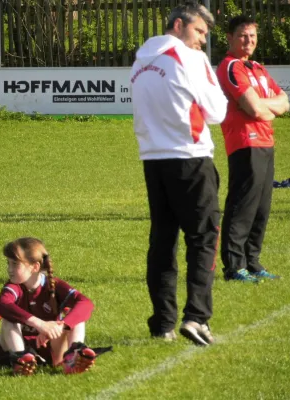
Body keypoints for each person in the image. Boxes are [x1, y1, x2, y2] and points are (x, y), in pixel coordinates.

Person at [130, 2, 228, 346]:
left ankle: (162, 323)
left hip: (153, 159)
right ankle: (197, 317)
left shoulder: (141, 60)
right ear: (178, 24)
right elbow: (217, 111)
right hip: (191, 156)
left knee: (162, 241)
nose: (202, 40)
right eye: (199, 31)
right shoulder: (191, 59)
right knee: (203, 238)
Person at [216, 15, 289, 283]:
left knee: (262, 206)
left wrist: (265, 107)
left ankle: (253, 262)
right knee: (243, 205)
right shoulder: (231, 66)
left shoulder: (257, 67)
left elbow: (284, 102)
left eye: (253, 36)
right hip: (245, 141)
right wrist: (267, 107)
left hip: (266, 142)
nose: (249, 41)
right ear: (230, 38)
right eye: (243, 36)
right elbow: (254, 107)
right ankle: (234, 266)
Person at [0, 237, 110, 376]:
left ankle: (73, 356)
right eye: (8, 263)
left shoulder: (54, 285)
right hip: (9, 353)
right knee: (8, 320)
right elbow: (3, 305)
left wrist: (61, 325)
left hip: (49, 350)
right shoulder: (13, 287)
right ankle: (21, 360)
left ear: (35, 267)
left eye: (15, 264)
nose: (9, 269)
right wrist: (40, 324)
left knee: (76, 317)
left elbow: (85, 303)